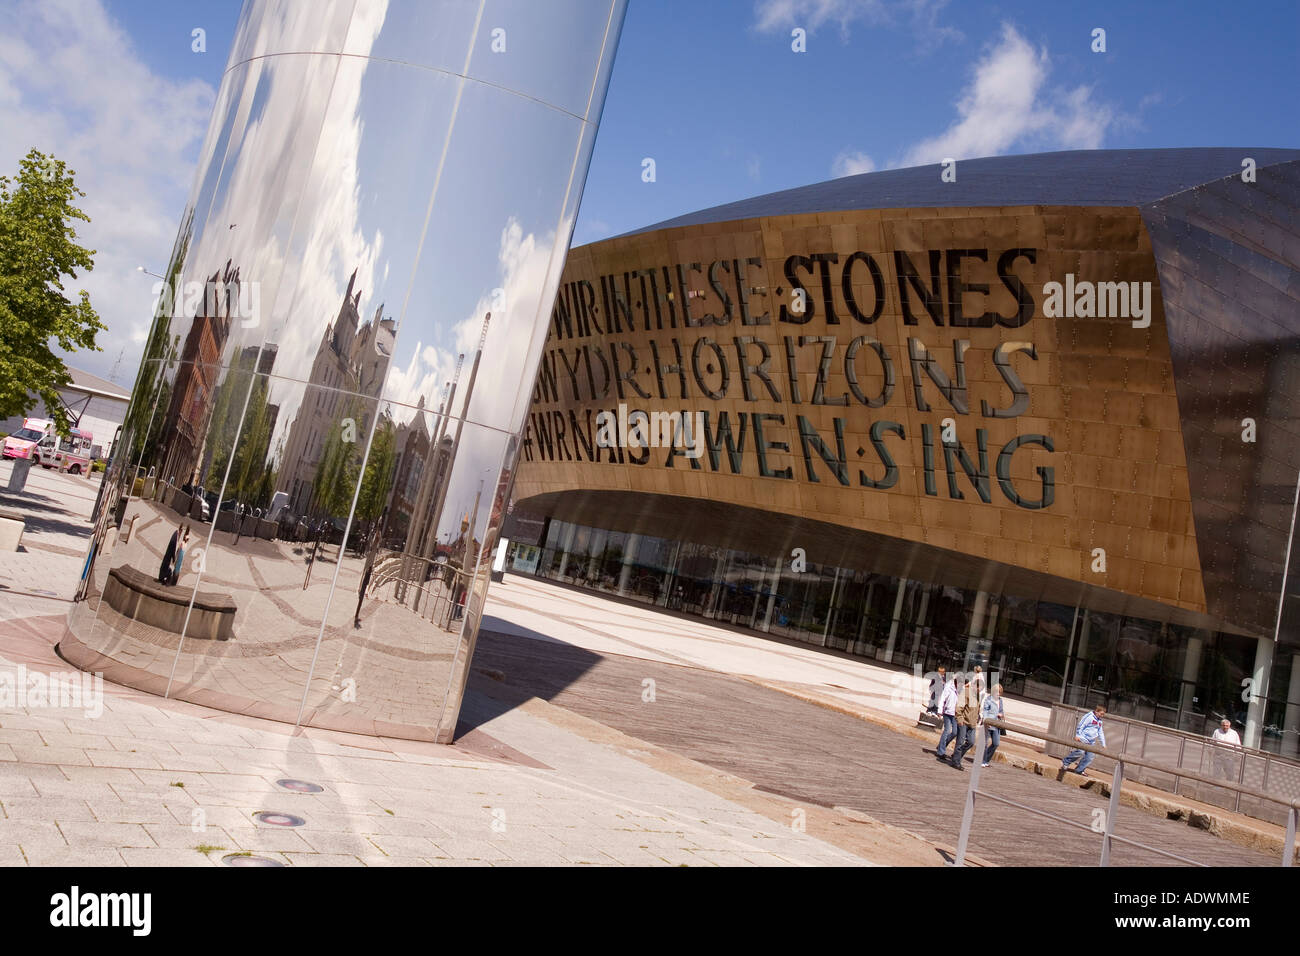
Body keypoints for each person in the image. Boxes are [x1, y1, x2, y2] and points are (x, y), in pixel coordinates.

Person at [1061, 704, 1107, 776]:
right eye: (1101, 714)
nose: (1102, 716)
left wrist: (1103, 744)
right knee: (1080, 752)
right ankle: (1066, 762)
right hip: (1083, 738)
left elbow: (1100, 732)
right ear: (1096, 711)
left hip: (1091, 742)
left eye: (1103, 714)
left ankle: (1079, 770)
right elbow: (1081, 725)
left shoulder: (1100, 721)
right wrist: (1078, 735)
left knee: (1090, 757)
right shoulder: (1089, 717)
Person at [949, 677, 980, 769]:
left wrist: (977, 719)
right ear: (974, 686)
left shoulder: (978, 696)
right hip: (963, 722)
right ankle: (956, 762)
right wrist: (960, 719)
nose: (979, 690)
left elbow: (977, 709)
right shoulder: (966, 693)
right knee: (960, 742)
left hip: (972, 723)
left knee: (971, 742)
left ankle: (956, 756)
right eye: (978, 688)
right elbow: (959, 707)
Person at [935, 673, 960, 762]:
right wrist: (939, 710)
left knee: (955, 732)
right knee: (947, 730)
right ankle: (941, 752)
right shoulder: (949, 685)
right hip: (947, 712)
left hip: (956, 714)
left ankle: (941, 745)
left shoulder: (962, 689)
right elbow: (943, 698)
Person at [980, 683, 1005, 767]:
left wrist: (1001, 714)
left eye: (1000, 692)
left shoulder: (1000, 700)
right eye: (997, 692)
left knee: (996, 743)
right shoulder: (988, 699)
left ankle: (986, 759)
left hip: (997, 724)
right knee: (985, 743)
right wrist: (986, 721)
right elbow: (985, 711)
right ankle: (983, 760)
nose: (998, 694)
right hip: (989, 724)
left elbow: (1001, 710)